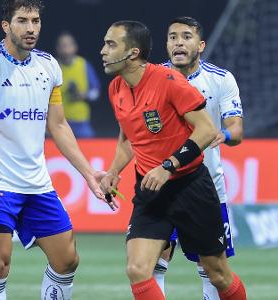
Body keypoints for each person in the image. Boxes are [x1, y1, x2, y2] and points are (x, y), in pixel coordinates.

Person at [0, 1, 113, 299]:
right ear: (6, 26)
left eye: (35, 21)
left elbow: (58, 125)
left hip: (37, 183)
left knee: (67, 260)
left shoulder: (49, 66)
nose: (31, 28)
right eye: (22, 21)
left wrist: (88, 173)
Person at [98, 20, 247, 300]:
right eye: (105, 43)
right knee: (138, 268)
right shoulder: (116, 88)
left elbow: (205, 129)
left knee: (217, 273)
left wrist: (168, 167)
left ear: (132, 52)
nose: (103, 50)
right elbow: (129, 138)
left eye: (110, 44)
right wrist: (113, 172)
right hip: (151, 190)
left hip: (190, 186)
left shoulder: (169, 82)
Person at [150, 16, 245, 300]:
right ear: (167, 44)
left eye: (186, 36)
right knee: (150, 260)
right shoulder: (152, 78)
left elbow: (237, 130)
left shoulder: (220, 79)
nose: (179, 42)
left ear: (200, 45)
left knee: (212, 269)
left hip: (206, 188)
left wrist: (223, 136)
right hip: (161, 183)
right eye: (173, 37)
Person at [55, 31, 101, 138]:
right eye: (63, 46)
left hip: (81, 122)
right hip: (59, 123)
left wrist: (84, 95)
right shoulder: (53, 67)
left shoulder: (84, 65)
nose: (66, 49)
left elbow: (96, 91)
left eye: (68, 45)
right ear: (58, 48)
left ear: (75, 47)